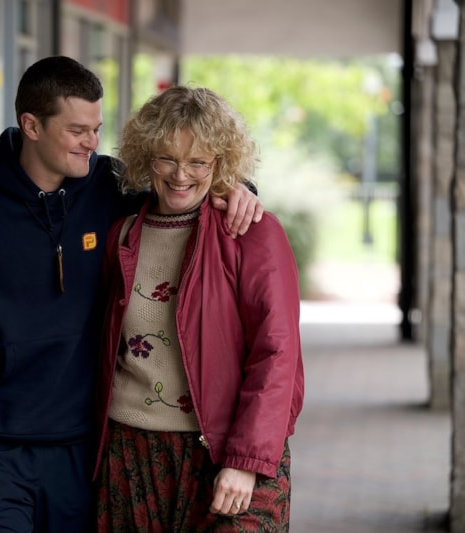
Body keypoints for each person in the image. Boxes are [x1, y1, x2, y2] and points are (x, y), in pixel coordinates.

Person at [0, 57, 264, 532]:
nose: (92, 142)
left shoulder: (110, 187)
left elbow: (184, 184)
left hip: (82, 449)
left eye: (96, 129)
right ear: (32, 126)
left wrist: (239, 188)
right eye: (77, 130)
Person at [94, 85, 304, 532]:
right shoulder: (121, 235)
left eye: (198, 162)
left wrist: (246, 460)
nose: (180, 175)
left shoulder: (252, 232)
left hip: (227, 452)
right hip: (132, 455)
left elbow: (277, 354)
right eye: (166, 159)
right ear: (146, 156)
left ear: (220, 163)